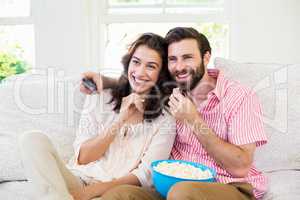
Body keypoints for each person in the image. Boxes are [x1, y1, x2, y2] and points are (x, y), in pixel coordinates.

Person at [81, 27, 268, 200]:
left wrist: (194, 120)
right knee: (120, 194)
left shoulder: (240, 96)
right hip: (168, 189)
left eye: (187, 57)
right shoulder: (172, 89)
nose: (179, 67)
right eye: (173, 59)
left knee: (182, 192)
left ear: (205, 57)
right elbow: (142, 79)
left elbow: (241, 166)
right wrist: (105, 81)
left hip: (228, 187)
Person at [18, 33, 177, 200]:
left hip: (114, 192)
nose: (139, 72)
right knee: (32, 139)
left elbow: (145, 176)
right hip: (77, 180)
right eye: (136, 62)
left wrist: (92, 191)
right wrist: (120, 120)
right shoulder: (101, 97)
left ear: (161, 74)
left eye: (151, 66)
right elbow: (83, 158)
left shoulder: (165, 120)